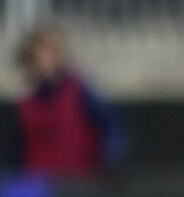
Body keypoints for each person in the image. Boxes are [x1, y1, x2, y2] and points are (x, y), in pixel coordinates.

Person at [7, 26, 127, 175]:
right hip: (39, 190)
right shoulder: (25, 102)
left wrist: (111, 160)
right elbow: (16, 152)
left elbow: (112, 130)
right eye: (36, 56)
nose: (43, 62)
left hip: (79, 186)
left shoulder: (81, 91)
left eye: (50, 53)